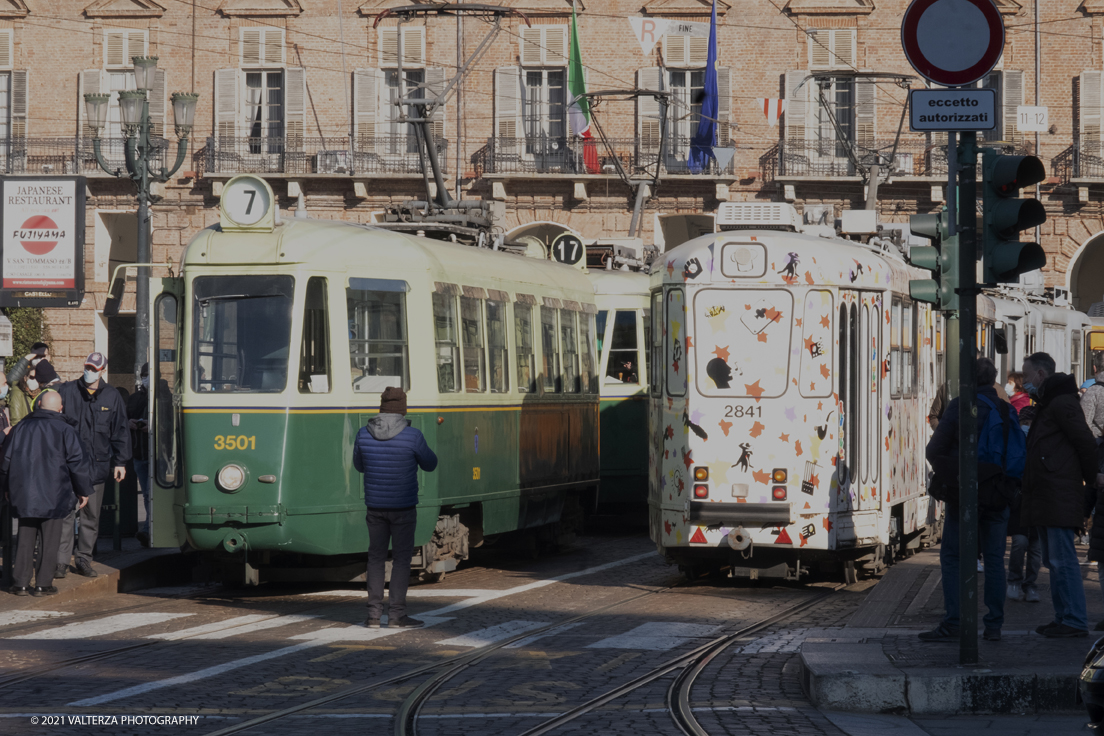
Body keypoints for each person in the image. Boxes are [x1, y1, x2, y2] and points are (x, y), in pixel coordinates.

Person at [921, 358, 1015, 642]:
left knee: (953, 556)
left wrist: (955, 477)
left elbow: (933, 450)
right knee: (996, 560)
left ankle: (955, 622)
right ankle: (994, 625)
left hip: (965, 496)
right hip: (998, 494)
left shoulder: (960, 405)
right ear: (993, 379)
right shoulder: (1004, 408)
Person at [1021, 351, 1100, 638]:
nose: (1023, 383)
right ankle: (1064, 616)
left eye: (1027, 376)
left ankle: (1074, 619)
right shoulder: (1051, 402)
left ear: (1041, 375)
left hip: (1056, 491)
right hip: (1048, 491)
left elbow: (1085, 441)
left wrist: (1091, 479)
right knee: (1054, 560)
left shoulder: (1060, 403)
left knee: (1061, 559)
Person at [352, 386, 438, 629]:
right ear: (403, 409)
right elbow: (430, 464)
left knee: (376, 558)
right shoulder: (413, 436)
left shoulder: (363, 434)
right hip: (403, 507)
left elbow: (359, 466)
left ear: (381, 407)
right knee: (401, 560)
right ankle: (397, 615)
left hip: (375, 507)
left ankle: (373, 616)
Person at [3, 391, 93, 595]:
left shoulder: (20, 428)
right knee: (50, 540)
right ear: (60, 408)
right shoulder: (66, 429)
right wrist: (83, 490)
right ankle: (43, 583)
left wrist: (6, 487)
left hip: (24, 493)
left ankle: (20, 583)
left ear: (39, 405)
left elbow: (5, 461)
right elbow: (77, 463)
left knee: (25, 538)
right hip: (55, 493)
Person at [56, 352, 131, 579]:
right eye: (88, 366)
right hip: (68, 467)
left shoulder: (112, 396)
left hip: (96, 466)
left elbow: (120, 430)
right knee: (66, 515)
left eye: (94, 368)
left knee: (90, 517)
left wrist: (120, 461)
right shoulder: (67, 391)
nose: (90, 371)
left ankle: (83, 559)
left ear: (102, 371)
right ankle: (60, 561)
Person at [127, 364, 151, 547]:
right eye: (144, 375)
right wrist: (130, 423)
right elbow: (123, 418)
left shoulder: (164, 396)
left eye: (149, 375)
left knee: (152, 493)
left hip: (157, 457)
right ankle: (149, 530)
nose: (146, 378)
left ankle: (148, 530)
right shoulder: (135, 398)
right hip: (139, 453)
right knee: (146, 494)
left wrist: (153, 427)